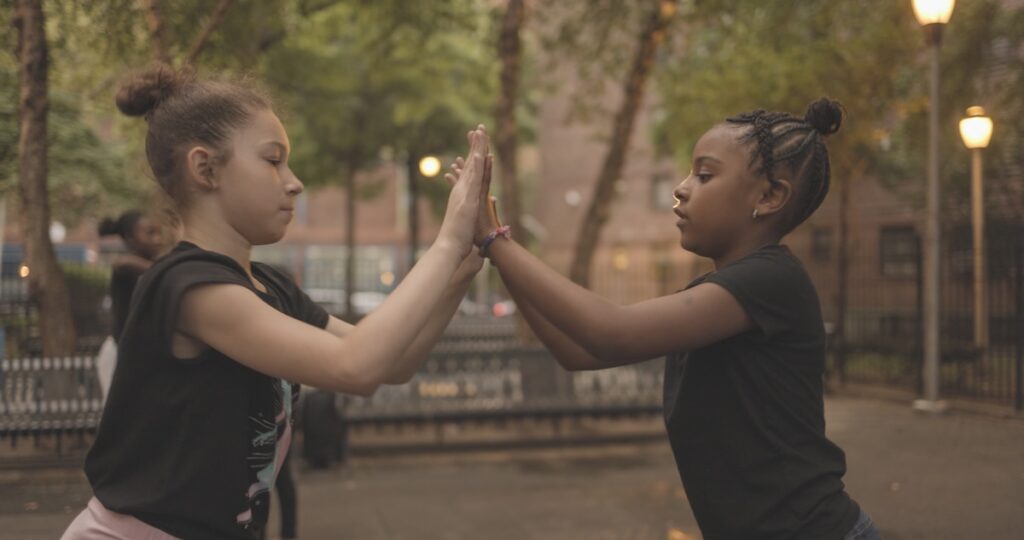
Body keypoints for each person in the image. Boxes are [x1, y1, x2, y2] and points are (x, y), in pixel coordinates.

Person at [62, 64, 489, 540]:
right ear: (205, 168)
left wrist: (461, 268)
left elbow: (392, 364)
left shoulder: (272, 287)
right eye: (273, 160)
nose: (294, 181)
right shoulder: (188, 287)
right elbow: (356, 365)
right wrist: (446, 241)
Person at [450, 98, 881, 539]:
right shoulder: (723, 295)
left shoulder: (771, 282)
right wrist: (497, 252)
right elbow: (576, 351)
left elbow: (609, 333)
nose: (682, 187)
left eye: (705, 174)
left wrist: (494, 242)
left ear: (769, 196)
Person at [95, 211, 167, 400]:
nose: (158, 239)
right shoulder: (126, 266)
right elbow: (122, 264)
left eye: (159, 232)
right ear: (131, 238)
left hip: (141, 357)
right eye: (150, 233)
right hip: (120, 355)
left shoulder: (158, 267)